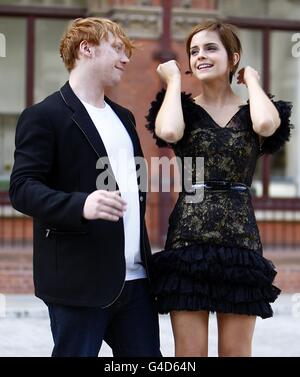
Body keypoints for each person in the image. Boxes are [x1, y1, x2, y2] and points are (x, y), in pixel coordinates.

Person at [9, 17, 161, 357]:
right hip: (79, 282)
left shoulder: (124, 117)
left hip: (135, 280)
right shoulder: (43, 116)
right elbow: (22, 188)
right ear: (87, 48)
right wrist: (80, 205)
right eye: (117, 48)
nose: (126, 58)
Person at [145, 20, 292, 357]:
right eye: (194, 51)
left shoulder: (255, 110)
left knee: (236, 353)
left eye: (211, 48)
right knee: (189, 354)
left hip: (239, 243)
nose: (200, 56)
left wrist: (252, 81)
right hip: (188, 241)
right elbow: (168, 132)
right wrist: (172, 82)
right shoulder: (180, 109)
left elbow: (267, 125)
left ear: (233, 57)